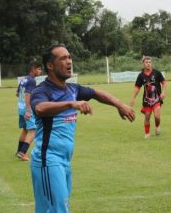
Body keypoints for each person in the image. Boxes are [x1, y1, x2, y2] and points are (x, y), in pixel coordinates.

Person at [29, 44, 135, 213]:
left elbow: (96, 93)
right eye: (63, 58)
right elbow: (40, 108)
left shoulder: (73, 89)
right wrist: (71, 104)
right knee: (59, 209)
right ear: (50, 66)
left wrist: (119, 105)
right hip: (48, 160)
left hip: (64, 160)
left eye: (69, 57)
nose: (69, 61)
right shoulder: (42, 91)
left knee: (52, 208)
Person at [130, 56, 166, 138]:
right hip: (147, 100)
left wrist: (163, 92)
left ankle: (157, 126)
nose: (148, 64)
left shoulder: (157, 72)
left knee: (157, 116)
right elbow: (137, 87)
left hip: (157, 99)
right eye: (146, 62)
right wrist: (133, 98)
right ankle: (147, 133)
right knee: (147, 116)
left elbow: (164, 82)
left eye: (149, 62)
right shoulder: (141, 75)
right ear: (143, 64)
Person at [16, 61, 42, 161]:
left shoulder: (24, 79)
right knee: (33, 131)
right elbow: (27, 95)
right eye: (39, 69)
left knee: (25, 129)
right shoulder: (32, 81)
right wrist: (28, 110)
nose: (40, 71)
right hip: (27, 109)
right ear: (33, 69)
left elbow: (17, 93)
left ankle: (18, 151)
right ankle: (22, 153)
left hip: (20, 107)